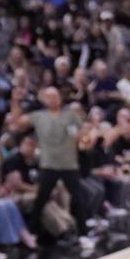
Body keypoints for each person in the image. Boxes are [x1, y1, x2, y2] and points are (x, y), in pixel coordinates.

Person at [8, 86, 87, 236]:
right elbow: (17, 121)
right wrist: (15, 101)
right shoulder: (39, 116)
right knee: (41, 199)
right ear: (44, 99)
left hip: (68, 164)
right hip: (48, 164)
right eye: (49, 97)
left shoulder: (70, 115)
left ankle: (83, 234)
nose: (53, 99)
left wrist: (81, 139)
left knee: (77, 197)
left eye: (55, 96)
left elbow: (83, 133)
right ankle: (32, 231)